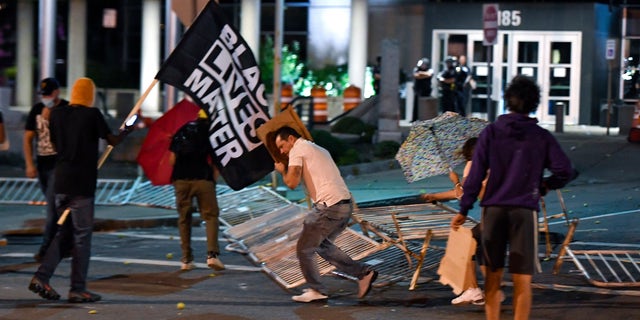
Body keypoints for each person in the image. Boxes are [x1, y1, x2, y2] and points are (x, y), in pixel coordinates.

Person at [452, 75, 574, 320]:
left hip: (494, 211)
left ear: (508, 101)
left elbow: (474, 177)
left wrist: (464, 209)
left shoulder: (491, 133)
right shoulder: (540, 136)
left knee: (493, 278)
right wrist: (546, 185)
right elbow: (565, 170)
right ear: (534, 103)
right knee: (522, 280)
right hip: (524, 212)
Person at [28, 77, 132, 303]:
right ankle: (78, 288)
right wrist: (128, 127)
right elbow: (113, 140)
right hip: (82, 184)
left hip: (61, 182)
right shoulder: (92, 114)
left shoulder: (57, 114)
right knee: (82, 237)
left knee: (64, 234)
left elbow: (55, 145)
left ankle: (41, 276)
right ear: (90, 94)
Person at [273, 126, 378, 303]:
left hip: (329, 206)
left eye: (282, 146)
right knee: (321, 246)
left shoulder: (297, 150)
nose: (282, 151)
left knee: (304, 249)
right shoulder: (317, 148)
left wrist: (282, 170)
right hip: (343, 205)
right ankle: (363, 273)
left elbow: (291, 182)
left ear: (291, 139)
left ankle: (316, 290)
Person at [169, 109, 224, 272]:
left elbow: (172, 159)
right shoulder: (213, 133)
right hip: (203, 179)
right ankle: (212, 256)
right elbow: (216, 163)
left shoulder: (182, 130)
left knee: (184, 218)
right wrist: (212, 181)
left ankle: (186, 259)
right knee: (211, 216)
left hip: (181, 180)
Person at [23, 77, 69, 261]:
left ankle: (46, 249)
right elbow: (28, 138)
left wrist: (53, 119)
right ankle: (67, 244)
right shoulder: (36, 109)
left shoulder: (66, 109)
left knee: (52, 208)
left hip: (59, 164)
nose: (46, 98)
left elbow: (70, 136)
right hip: (42, 165)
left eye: (49, 94)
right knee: (59, 208)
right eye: (43, 95)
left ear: (57, 92)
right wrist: (29, 163)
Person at [412, 57, 434, 121]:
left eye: (424, 64)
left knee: (426, 105)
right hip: (418, 90)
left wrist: (421, 74)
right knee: (416, 105)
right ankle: (414, 119)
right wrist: (424, 75)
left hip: (426, 90)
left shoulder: (430, 69)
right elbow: (416, 76)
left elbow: (429, 74)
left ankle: (425, 118)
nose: (422, 66)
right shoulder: (416, 69)